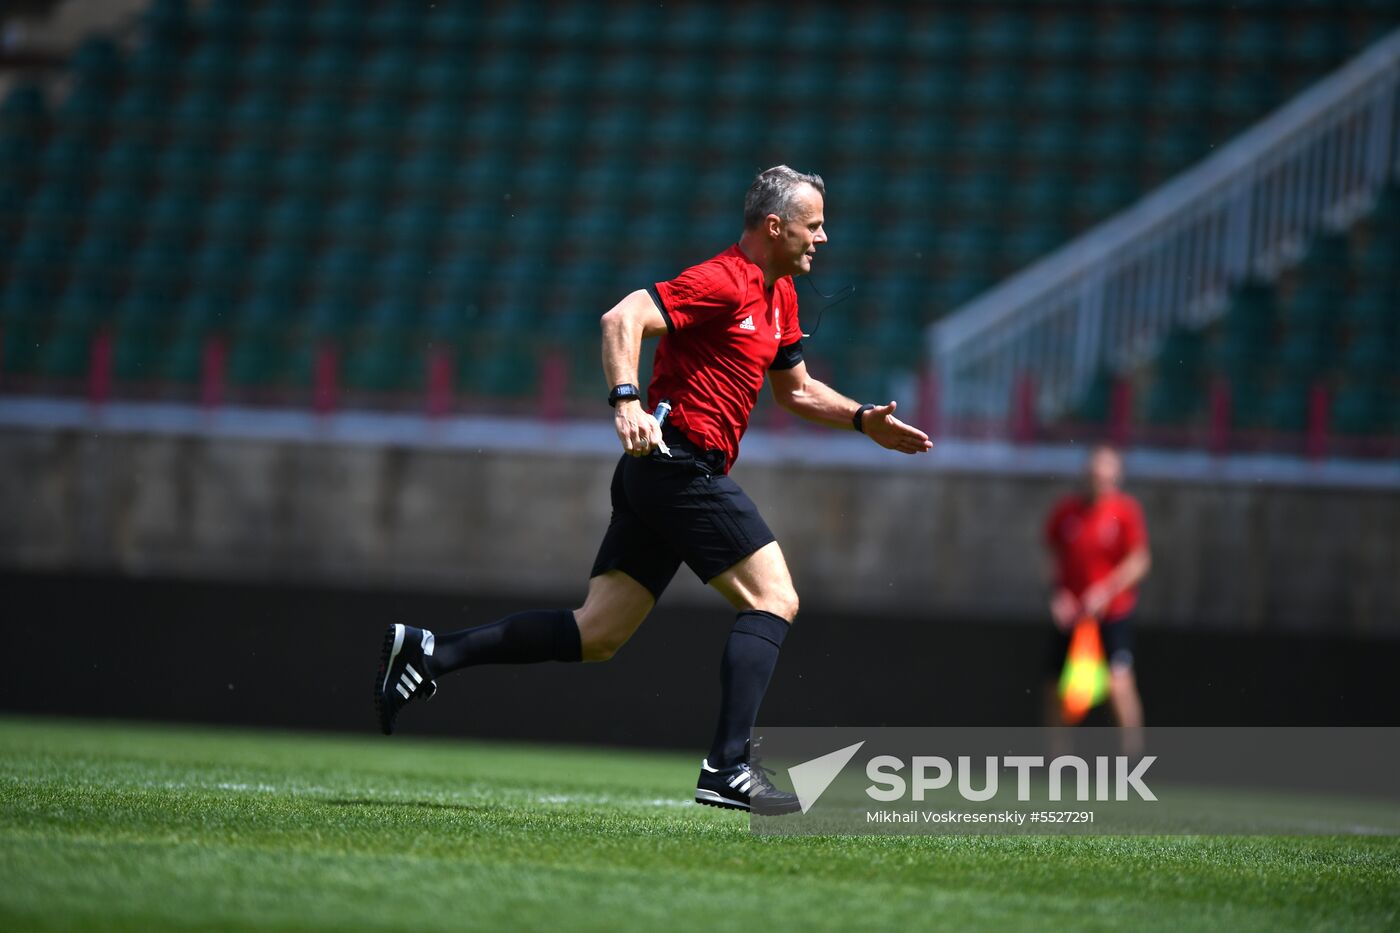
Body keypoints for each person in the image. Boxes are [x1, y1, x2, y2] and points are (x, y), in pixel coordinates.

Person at [374, 165, 932, 814]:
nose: (824, 237)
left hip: (661, 474)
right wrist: (625, 399)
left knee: (597, 633)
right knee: (775, 596)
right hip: (677, 464)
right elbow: (624, 317)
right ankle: (726, 766)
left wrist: (864, 419)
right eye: (814, 225)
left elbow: (797, 389)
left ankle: (432, 652)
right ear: (774, 227)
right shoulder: (725, 279)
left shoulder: (779, 296)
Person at [1044, 444, 1152, 743]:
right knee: (1058, 688)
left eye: (1106, 471)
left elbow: (1140, 561)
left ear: (1116, 476)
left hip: (1112, 614)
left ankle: (1132, 768)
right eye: (1094, 470)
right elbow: (1051, 556)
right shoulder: (1067, 511)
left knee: (1119, 686)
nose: (1098, 477)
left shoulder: (1125, 511)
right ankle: (1056, 765)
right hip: (1072, 617)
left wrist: (1106, 591)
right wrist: (1058, 595)